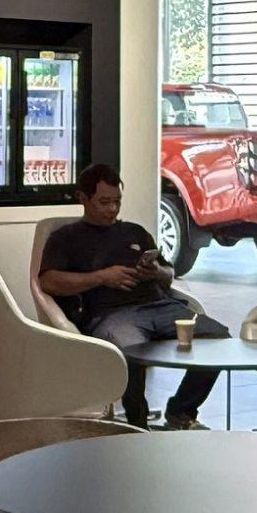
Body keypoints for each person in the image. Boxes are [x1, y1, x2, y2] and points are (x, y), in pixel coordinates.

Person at [37, 164, 226, 428]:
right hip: (111, 314)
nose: (112, 209)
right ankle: (137, 423)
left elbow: (168, 275)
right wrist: (102, 277)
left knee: (219, 337)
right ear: (83, 198)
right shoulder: (66, 238)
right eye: (104, 202)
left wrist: (155, 272)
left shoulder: (135, 232)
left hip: (160, 306)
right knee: (132, 351)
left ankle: (181, 410)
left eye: (117, 202)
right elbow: (48, 282)